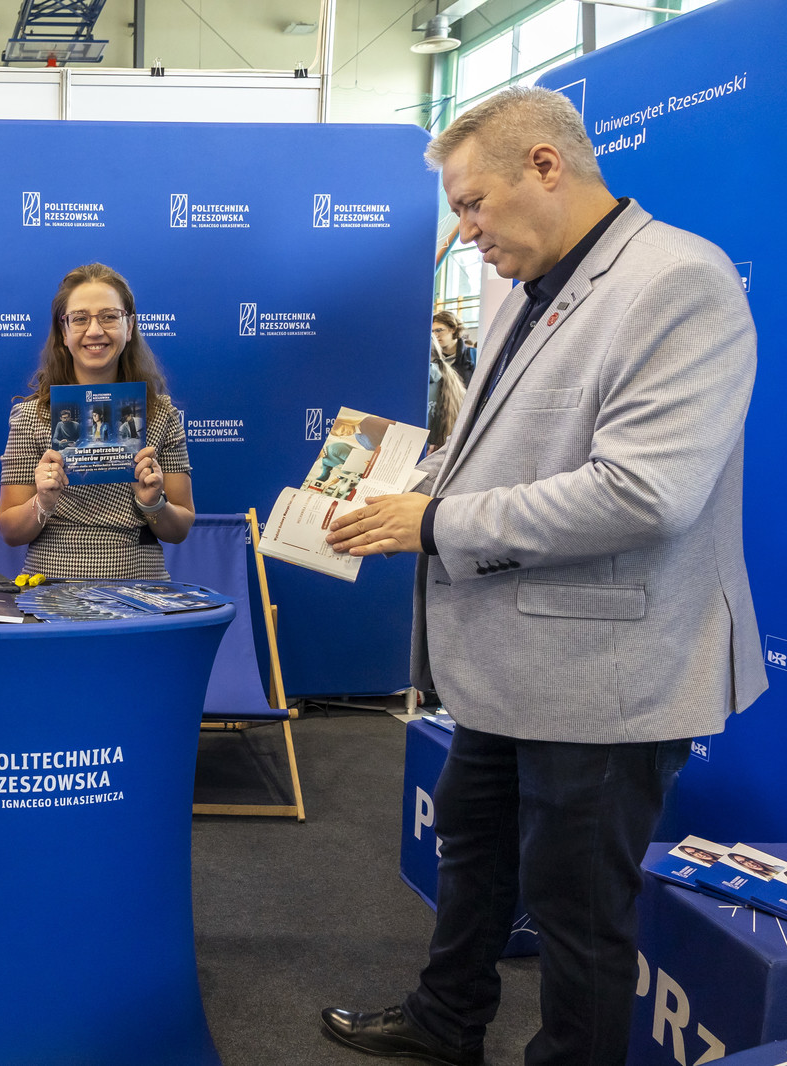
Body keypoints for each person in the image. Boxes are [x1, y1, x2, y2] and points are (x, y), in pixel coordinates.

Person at [320, 86, 763, 1066]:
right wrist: (389, 489)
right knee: (472, 854)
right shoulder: (530, 287)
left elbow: (643, 494)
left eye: (472, 204)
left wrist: (433, 522)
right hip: (509, 658)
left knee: (578, 911)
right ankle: (446, 1020)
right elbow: (490, 451)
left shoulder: (678, 281)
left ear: (545, 166)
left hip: (605, 673)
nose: (464, 231)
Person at [0, 263, 195, 578]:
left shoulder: (161, 414)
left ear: (129, 327)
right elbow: (10, 531)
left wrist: (153, 502)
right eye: (79, 319)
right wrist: (42, 501)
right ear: (63, 332)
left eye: (109, 317)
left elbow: (179, 529)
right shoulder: (31, 416)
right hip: (52, 585)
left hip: (141, 585)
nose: (94, 331)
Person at [428, 311, 476, 449]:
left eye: (439, 330)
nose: (436, 335)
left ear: (453, 329)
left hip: (464, 421)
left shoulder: (473, 357)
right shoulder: (433, 363)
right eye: (432, 331)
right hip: (439, 424)